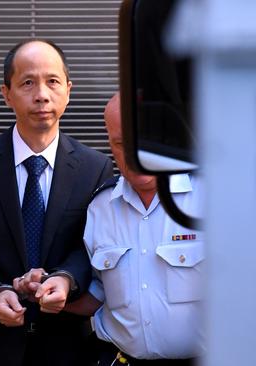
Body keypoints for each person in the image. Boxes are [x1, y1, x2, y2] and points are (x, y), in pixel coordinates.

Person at [0, 39, 114, 365]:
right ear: (6, 94)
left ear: (69, 91)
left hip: (66, 346)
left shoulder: (95, 167)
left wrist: (66, 279)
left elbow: (93, 247)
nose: (42, 94)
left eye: (52, 81)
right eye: (28, 82)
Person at [66, 92, 204, 365]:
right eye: (120, 143)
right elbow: (99, 291)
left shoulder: (209, 197)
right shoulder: (101, 207)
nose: (134, 154)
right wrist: (48, 294)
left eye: (143, 141)